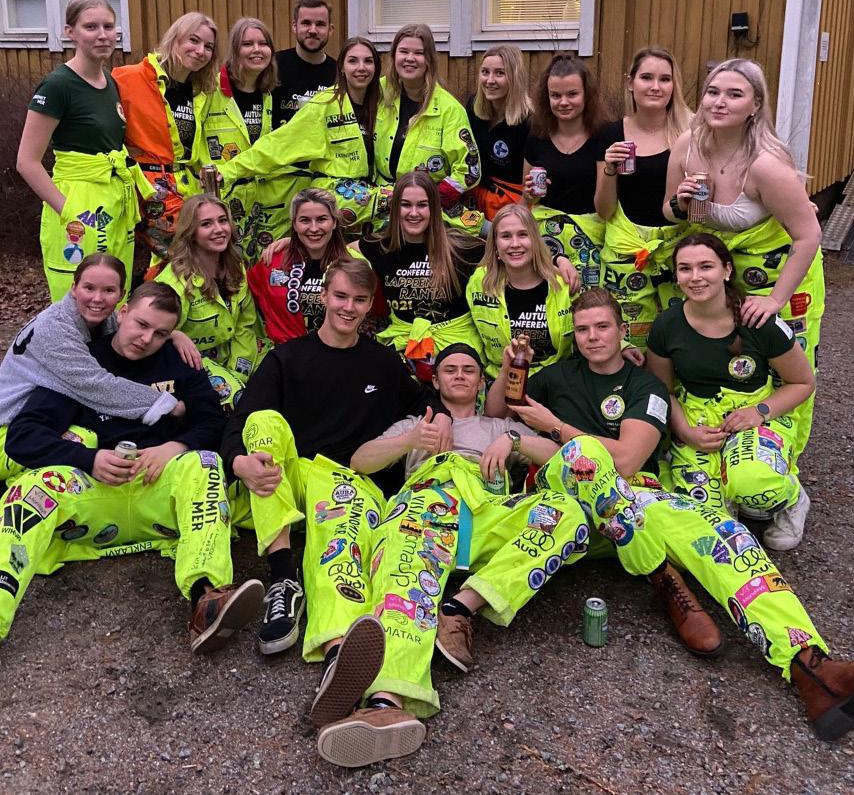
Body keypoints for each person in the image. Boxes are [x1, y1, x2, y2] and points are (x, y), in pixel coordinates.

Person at [500, 288, 854, 744]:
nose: (592, 337)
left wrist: (553, 425)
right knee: (582, 455)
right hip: (562, 509)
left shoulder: (646, 387)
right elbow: (498, 409)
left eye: (603, 326)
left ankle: (809, 663)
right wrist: (511, 370)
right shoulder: (557, 375)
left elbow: (627, 461)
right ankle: (665, 578)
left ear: (622, 330)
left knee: (723, 534)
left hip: (637, 503)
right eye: (583, 329)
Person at [314, 342, 587, 768]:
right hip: (427, 505)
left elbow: (561, 456)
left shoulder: (497, 425)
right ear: (436, 381)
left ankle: (461, 607)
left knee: (567, 512)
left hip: (488, 510)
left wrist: (514, 440)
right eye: (450, 369)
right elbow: (360, 461)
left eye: (469, 370)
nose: (459, 375)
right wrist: (410, 440)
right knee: (405, 577)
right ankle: (386, 703)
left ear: (481, 384)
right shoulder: (416, 422)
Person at [219, 258, 451, 722]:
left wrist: (442, 415)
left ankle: (338, 653)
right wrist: (238, 462)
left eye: (360, 300)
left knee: (337, 525)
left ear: (369, 305)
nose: (349, 307)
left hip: (348, 481)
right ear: (323, 295)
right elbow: (241, 421)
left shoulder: (381, 361)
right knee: (263, 422)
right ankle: (283, 577)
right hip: (288, 478)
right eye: (341, 296)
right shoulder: (286, 358)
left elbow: (424, 397)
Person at [0, 282, 264, 654]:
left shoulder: (179, 363)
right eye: (141, 324)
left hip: (159, 493)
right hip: (94, 493)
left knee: (202, 463)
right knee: (28, 490)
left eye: (160, 333)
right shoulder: (82, 364)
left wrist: (174, 447)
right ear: (121, 312)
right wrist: (88, 459)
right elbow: (22, 436)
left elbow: (213, 422)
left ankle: (207, 597)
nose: (146, 339)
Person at [645, 234, 816, 549]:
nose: (695, 277)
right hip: (697, 417)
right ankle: (725, 497)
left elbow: (803, 383)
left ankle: (791, 498)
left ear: (726, 270)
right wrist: (686, 432)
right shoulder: (666, 325)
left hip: (755, 412)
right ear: (677, 276)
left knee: (753, 483)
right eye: (685, 269)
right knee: (701, 522)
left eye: (706, 266)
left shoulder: (758, 321)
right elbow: (662, 390)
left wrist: (759, 412)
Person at [663, 59, 823, 374]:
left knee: (779, 369)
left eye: (734, 94)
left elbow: (809, 235)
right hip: (718, 273)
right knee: (721, 364)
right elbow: (668, 212)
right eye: (712, 92)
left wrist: (775, 301)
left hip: (775, 273)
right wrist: (681, 204)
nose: (719, 102)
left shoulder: (765, 165)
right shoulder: (687, 146)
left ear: (756, 105)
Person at [16, 0, 153, 300]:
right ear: (70, 32)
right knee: (80, 298)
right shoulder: (58, 86)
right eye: (91, 27)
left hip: (113, 202)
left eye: (108, 26)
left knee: (113, 294)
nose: (102, 34)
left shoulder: (109, 81)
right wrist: (69, 211)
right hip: (79, 204)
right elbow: (27, 161)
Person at [0, 254, 184, 481]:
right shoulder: (55, 329)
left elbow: (132, 325)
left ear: (121, 296)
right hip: (8, 426)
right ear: (74, 288)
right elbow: (96, 385)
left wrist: (173, 335)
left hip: (40, 415)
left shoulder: (104, 320)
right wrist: (162, 403)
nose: (98, 298)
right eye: (89, 288)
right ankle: (15, 486)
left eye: (108, 290)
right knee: (83, 439)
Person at [217, 36, 386, 252]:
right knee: (398, 204)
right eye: (353, 61)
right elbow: (278, 145)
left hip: (368, 194)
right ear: (342, 68)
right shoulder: (323, 105)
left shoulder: (383, 104)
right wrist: (229, 171)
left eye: (368, 61)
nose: (361, 68)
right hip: (334, 193)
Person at [595, 47, 692, 347]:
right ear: (630, 83)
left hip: (679, 250)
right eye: (646, 77)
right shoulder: (611, 133)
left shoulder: (691, 131)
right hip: (627, 254)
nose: (655, 87)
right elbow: (604, 211)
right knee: (629, 341)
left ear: (674, 86)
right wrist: (609, 169)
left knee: (682, 338)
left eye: (665, 79)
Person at [112, 11, 222, 260]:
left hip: (186, 189)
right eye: (193, 40)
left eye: (208, 47)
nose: (200, 51)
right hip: (148, 190)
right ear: (175, 39)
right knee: (186, 260)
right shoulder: (129, 78)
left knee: (186, 263)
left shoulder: (200, 91)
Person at [358, 172, 485, 378]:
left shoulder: (461, 247)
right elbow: (339, 253)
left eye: (422, 205)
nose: (414, 213)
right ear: (395, 208)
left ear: (434, 208)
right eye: (406, 205)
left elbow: (507, 252)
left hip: (457, 347)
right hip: (403, 343)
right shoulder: (379, 246)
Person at [154, 195, 266, 409]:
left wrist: (238, 371)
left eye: (223, 221)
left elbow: (245, 325)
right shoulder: (173, 282)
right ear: (191, 232)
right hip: (192, 364)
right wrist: (173, 334)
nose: (219, 229)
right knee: (238, 400)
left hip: (236, 354)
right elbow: (151, 331)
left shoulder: (236, 267)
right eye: (206, 224)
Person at [374, 24, 481, 219]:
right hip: (381, 201)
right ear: (394, 56)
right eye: (403, 51)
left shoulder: (449, 109)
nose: (410, 58)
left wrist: (431, 200)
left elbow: (469, 170)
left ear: (429, 60)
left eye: (418, 53)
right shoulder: (378, 93)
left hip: (427, 209)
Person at [523, 53, 606, 284]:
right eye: (556, 95)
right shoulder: (537, 135)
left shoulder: (603, 135)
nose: (563, 102)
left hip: (590, 240)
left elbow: (606, 206)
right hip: (545, 241)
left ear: (587, 94)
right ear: (546, 97)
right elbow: (526, 200)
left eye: (572, 94)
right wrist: (529, 194)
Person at [466, 203, 575, 379]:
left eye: (523, 234)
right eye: (506, 236)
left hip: (555, 378)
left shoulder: (563, 280)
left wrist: (559, 259)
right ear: (495, 244)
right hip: (499, 378)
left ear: (535, 240)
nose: (515, 244)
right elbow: (470, 332)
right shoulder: (480, 281)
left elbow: (589, 324)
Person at [202, 17, 278, 259]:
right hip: (216, 196)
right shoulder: (210, 88)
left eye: (263, 44)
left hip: (254, 200)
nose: (257, 50)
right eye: (247, 44)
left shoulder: (267, 94)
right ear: (235, 50)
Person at [247, 188, 352, 344]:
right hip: (287, 353)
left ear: (334, 222)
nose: (314, 228)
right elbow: (245, 303)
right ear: (294, 224)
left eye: (322, 219)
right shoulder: (272, 262)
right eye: (305, 220)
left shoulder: (353, 263)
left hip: (338, 350)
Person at [466, 45, 532, 220]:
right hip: (474, 198)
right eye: (485, 72)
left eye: (500, 73)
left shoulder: (529, 122)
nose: (490, 80)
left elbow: (530, 187)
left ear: (515, 77)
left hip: (511, 204)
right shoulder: (472, 107)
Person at [272, 0, 337, 129]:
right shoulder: (273, 66)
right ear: (294, 26)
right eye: (306, 23)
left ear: (330, 30)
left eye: (320, 24)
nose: (313, 30)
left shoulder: (339, 74)